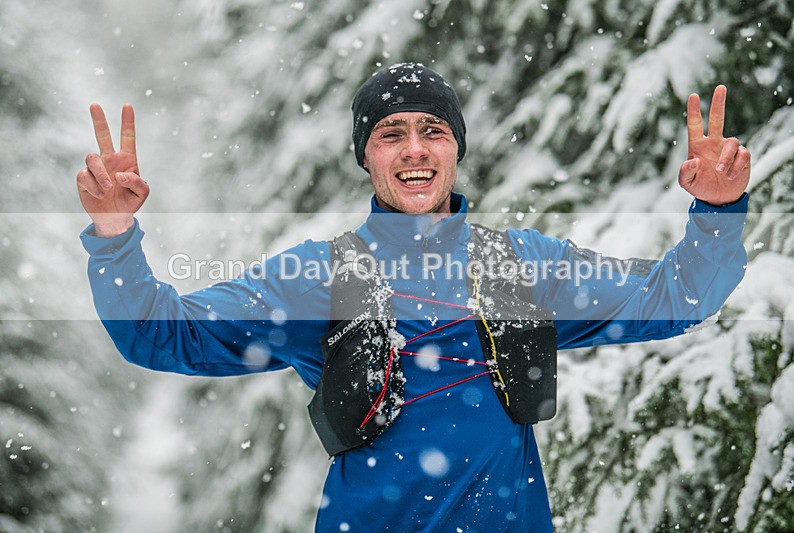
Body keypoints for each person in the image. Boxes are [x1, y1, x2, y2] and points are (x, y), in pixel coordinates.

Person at [77, 63, 750, 532]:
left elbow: (679, 293)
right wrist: (113, 234)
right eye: (389, 133)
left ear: (455, 146)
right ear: (365, 158)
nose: (413, 148)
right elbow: (162, 333)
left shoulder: (521, 266)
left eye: (432, 128)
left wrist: (717, 212)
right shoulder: (319, 279)